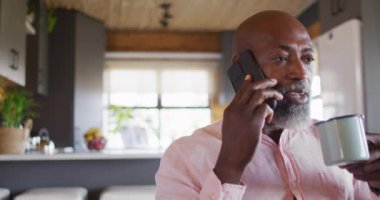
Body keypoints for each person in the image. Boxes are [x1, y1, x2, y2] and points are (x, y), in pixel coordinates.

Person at [155, 10, 380, 199]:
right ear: (243, 67)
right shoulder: (184, 155)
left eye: (308, 59)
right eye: (281, 58)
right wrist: (230, 167)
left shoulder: (335, 141)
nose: (302, 73)